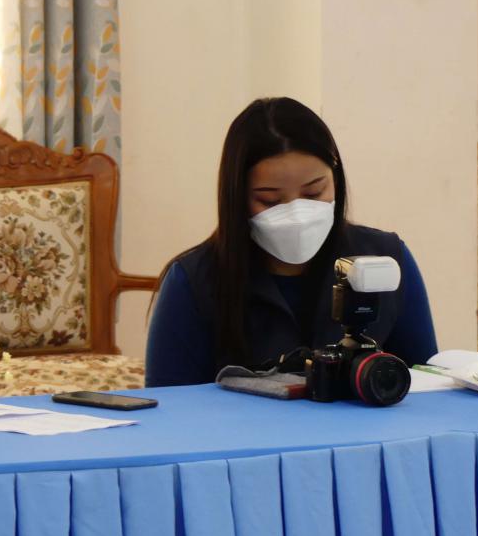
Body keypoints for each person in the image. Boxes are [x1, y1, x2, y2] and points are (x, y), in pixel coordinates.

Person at [145, 97, 437, 387]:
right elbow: (171, 405)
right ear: (237, 198)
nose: (297, 216)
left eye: (313, 193)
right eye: (270, 200)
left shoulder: (385, 261)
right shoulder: (194, 282)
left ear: (335, 179)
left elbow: (430, 386)